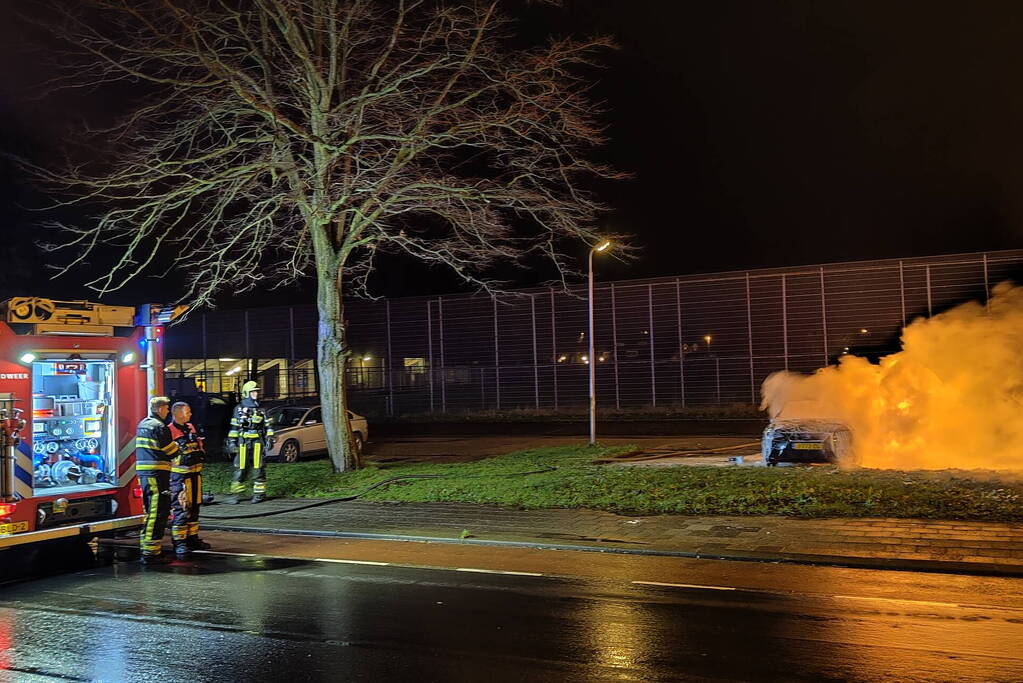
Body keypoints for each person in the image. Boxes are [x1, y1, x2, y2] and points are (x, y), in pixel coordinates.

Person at [135, 396, 179, 564]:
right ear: (160, 409)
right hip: (156, 473)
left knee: (150, 512)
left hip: (146, 473)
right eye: (166, 408)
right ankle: (151, 552)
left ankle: (148, 547)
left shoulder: (143, 424)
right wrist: (179, 447)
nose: (168, 411)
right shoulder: (159, 427)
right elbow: (171, 451)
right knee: (158, 511)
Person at [168, 401, 212, 558]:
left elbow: (198, 446)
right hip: (180, 478)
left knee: (195, 508)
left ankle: (192, 538)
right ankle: (179, 543)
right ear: (178, 413)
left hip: (195, 475)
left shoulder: (190, 427)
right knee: (181, 509)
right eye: (187, 412)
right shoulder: (170, 431)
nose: (190, 414)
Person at [226, 380, 274, 504]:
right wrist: (231, 441)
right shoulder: (239, 408)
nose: (256, 394)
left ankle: (259, 494)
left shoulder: (262, 408)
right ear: (246, 393)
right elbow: (234, 426)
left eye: (257, 392)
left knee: (259, 467)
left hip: (258, 442)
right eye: (253, 392)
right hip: (243, 442)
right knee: (240, 468)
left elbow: (268, 425)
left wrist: (270, 438)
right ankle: (236, 494)